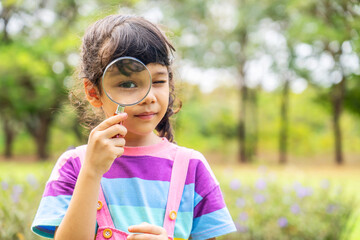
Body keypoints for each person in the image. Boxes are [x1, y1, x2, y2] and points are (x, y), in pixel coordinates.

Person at [31, 14, 236, 240]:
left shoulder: (192, 169)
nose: (148, 96)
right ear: (93, 92)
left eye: (158, 81)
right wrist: (91, 172)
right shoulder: (74, 165)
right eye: (127, 83)